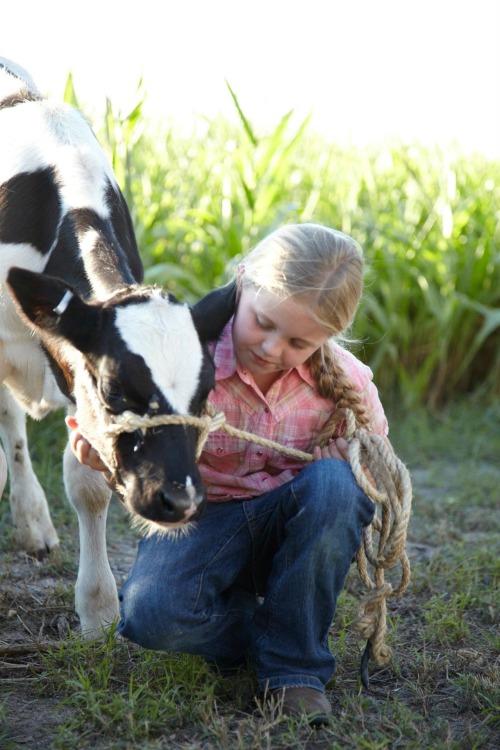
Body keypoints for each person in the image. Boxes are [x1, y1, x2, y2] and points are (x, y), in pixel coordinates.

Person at [68, 223, 390, 726]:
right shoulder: (180, 359)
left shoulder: (345, 386)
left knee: (335, 486)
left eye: (298, 342)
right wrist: (102, 457)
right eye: (262, 322)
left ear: (328, 338)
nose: (271, 347)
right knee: (152, 616)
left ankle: (293, 669)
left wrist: (351, 463)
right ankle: (272, 629)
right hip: (204, 523)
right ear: (241, 285)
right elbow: (131, 436)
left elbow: (377, 462)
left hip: (291, 532)